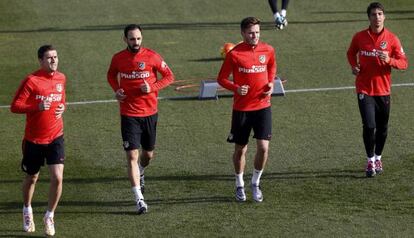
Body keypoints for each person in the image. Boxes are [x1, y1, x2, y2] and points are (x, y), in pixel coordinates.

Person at [107, 24, 175, 214]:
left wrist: (152, 87)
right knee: (131, 156)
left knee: (148, 155)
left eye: (138, 39)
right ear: (125, 40)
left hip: (150, 113)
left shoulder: (152, 56)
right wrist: (117, 90)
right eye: (131, 39)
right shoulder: (118, 58)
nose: (135, 42)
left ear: (141, 38)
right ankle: (139, 199)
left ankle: (142, 171)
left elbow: (169, 76)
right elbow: (111, 75)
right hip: (129, 114)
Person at [217, 17, 276, 202]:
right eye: (251, 33)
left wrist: (271, 83)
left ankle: (256, 182)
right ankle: (239, 184)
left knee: (264, 148)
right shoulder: (234, 54)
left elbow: (272, 66)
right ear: (242, 33)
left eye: (257, 32)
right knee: (241, 150)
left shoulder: (268, 49)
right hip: (242, 109)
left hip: (263, 106)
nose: (255, 36)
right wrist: (236, 88)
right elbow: (221, 78)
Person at [347, 2, 408, 177]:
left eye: (380, 14)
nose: (377, 17)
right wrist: (354, 66)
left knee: (382, 127)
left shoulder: (392, 39)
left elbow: (404, 63)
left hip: (383, 91)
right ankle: (370, 161)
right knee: (369, 125)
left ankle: (378, 156)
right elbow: (351, 53)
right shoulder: (359, 37)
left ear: (384, 17)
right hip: (364, 89)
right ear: (369, 17)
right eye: (373, 14)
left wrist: (389, 60)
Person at [10, 45, 66, 236]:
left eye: (55, 57)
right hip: (33, 139)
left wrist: (62, 107)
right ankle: (27, 209)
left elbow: (61, 98)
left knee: (58, 177)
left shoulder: (61, 78)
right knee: (32, 177)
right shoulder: (31, 81)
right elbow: (15, 106)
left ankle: (49, 215)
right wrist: (37, 106)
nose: (54, 61)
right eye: (49, 58)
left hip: (56, 136)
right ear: (40, 61)